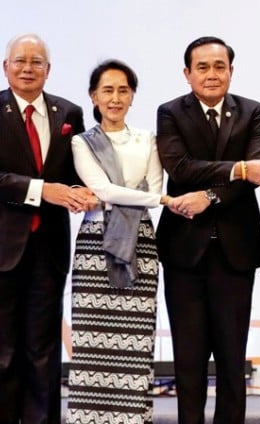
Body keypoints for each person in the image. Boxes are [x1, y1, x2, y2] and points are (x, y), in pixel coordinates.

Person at [66, 60, 205, 424]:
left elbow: (155, 187)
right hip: (95, 246)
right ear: (93, 96)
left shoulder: (149, 140)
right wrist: (145, 196)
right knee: (93, 346)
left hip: (141, 244)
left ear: (132, 96)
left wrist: (137, 196)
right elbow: (101, 189)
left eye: (123, 90)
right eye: (107, 90)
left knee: (135, 344)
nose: (115, 98)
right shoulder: (82, 142)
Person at [156, 36, 260, 424]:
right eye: (203, 67)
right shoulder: (170, 112)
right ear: (187, 73)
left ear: (231, 70)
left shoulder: (251, 111)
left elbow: (258, 170)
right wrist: (237, 169)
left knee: (231, 358)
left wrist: (210, 194)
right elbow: (180, 167)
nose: (212, 75)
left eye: (219, 66)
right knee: (188, 359)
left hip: (236, 250)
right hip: (183, 249)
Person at [0, 34, 95, 424]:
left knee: (44, 349)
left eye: (36, 61)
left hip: (50, 249)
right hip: (4, 249)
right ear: (6, 66)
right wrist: (43, 190)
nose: (27, 68)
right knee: (3, 350)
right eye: (20, 60)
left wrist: (84, 192)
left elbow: (76, 173)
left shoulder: (68, 113)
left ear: (48, 69)